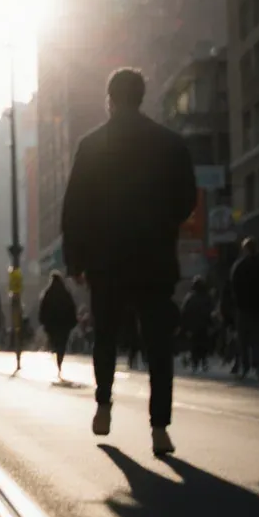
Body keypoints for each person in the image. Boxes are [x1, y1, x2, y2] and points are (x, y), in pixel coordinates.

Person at [61, 67, 196, 456]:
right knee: (158, 344)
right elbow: (187, 196)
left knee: (105, 335)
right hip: (153, 258)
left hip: (107, 261)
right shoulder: (168, 143)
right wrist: (164, 222)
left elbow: (74, 209)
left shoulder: (91, 145)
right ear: (142, 96)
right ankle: (159, 428)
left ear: (110, 99)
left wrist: (77, 258)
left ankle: (103, 404)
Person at [230, 238, 259, 380]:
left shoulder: (240, 266)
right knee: (257, 340)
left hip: (243, 309)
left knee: (243, 340)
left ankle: (245, 367)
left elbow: (234, 288)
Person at [38, 271, 77, 382]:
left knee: (55, 342)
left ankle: (57, 357)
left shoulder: (48, 293)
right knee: (62, 344)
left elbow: (43, 309)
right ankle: (60, 360)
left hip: (52, 324)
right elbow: (71, 308)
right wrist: (72, 322)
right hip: (64, 324)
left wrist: (43, 322)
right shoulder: (65, 293)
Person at [180, 277, 214, 373]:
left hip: (193, 326)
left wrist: (185, 327)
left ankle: (195, 363)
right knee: (203, 345)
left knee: (194, 345)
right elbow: (210, 312)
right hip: (203, 326)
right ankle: (203, 362)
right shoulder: (207, 298)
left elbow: (184, 312)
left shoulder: (190, 298)